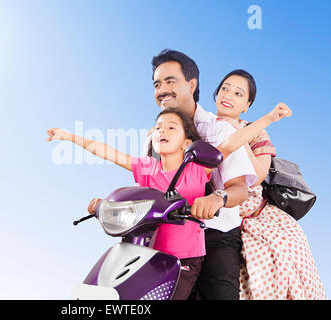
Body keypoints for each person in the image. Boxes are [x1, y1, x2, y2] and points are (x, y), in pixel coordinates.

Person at [48, 105, 291, 300]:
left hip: (184, 258)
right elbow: (106, 152)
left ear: (187, 143)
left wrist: (269, 118)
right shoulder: (147, 168)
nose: (161, 131)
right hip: (149, 252)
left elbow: (232, 143)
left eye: (171, 128)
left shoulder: (196, 169)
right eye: (158, 127)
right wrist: (69, 137)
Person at [148, 49, 256, 300]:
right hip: (167, 239)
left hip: (214, 236)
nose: (161, 89)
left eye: (170, 81)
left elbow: (239, 188)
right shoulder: (154, 138)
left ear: (191, 84)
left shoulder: (220, 130)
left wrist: (217, 198)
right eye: (157, 84)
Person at [211, 69, 326, 299]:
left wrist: (238, 134)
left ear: (247, 105)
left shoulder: (254, 132)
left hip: (258, 216)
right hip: (216, 218)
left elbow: (257, 174)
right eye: (225, 88)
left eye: (238, 93)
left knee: (289, 258)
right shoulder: (200, 126)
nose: (228, 95)